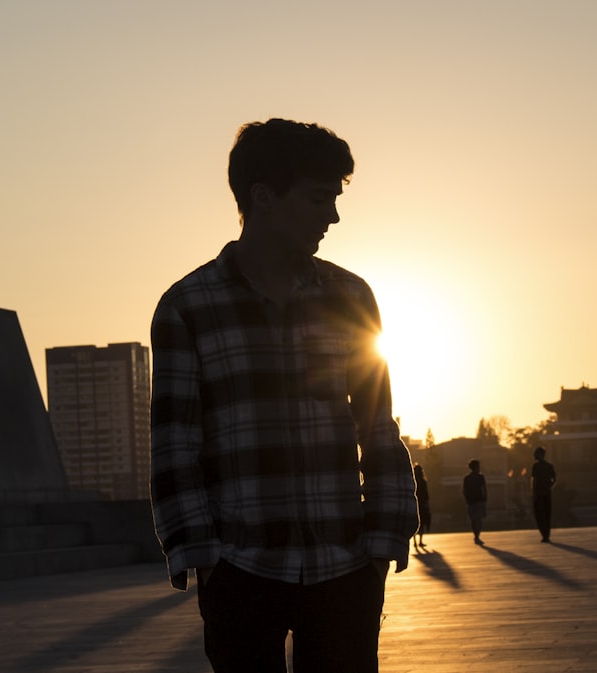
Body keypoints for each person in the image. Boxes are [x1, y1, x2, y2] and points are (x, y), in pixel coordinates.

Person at [149, 118, 419, 673]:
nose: (334, 216)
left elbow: (379, 425)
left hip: (345, 565)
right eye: (320, 198)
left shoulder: (352, 296)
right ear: (263, 197)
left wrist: (383, 542)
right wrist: (202, 557)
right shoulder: (187, 307)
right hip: (241, 569)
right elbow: (175, 444)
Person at [530, 446, 557, 542]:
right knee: (546, 514)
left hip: (539, 493)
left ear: (540, 454)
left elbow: (534, 480)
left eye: (535, 454)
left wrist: (534, 492)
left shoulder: (536, 466)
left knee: (540, 514)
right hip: (546, 493)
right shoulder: (549, 466)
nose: (534, 455)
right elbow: (554, 479)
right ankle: (546, 534)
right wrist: (549, 486)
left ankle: (544, 534)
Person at [462, 459, 487, 545]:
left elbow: (484, 488)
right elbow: (484, 489)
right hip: (474, 501)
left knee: (476, 519)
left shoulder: (477, 477)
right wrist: (485, 498)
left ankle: (477, 535)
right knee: (476, 519)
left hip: (475, 501)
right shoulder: (469, 478)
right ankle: (477, 534)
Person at [412, 463, 431, 550]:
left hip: (414, 504)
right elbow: (426, 494)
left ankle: (415, 541)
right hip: (422, 504)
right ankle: (420, 541)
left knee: (414, 522)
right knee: (422, 523)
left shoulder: (412, 481)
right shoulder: (423, 481)